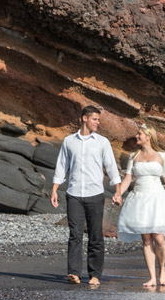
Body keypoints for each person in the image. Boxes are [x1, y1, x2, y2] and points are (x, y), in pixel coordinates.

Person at [51, 105, 122, 287]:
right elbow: (61, 166)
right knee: (74, 234)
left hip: (95, 194)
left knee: (95, 235)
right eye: (95, 119)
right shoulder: (69, 141)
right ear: (84, 118)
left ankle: (94, 274)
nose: (98, 123)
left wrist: (118, 191)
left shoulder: (102, 142)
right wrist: (54, 189)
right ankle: (73, 273)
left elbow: (111, 167)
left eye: (98, 120)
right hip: (74, 194)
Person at [114, 124, 165, 287]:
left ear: (148, 137)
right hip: (140, 199)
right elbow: (128, 179)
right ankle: (152, 276)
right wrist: (119, 193)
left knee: (159, 238)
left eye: (139, 134)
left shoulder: (162, 155)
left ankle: (162, 270)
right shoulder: (133, 156)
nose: (136, 136)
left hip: (157, 198)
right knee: (146, 239)